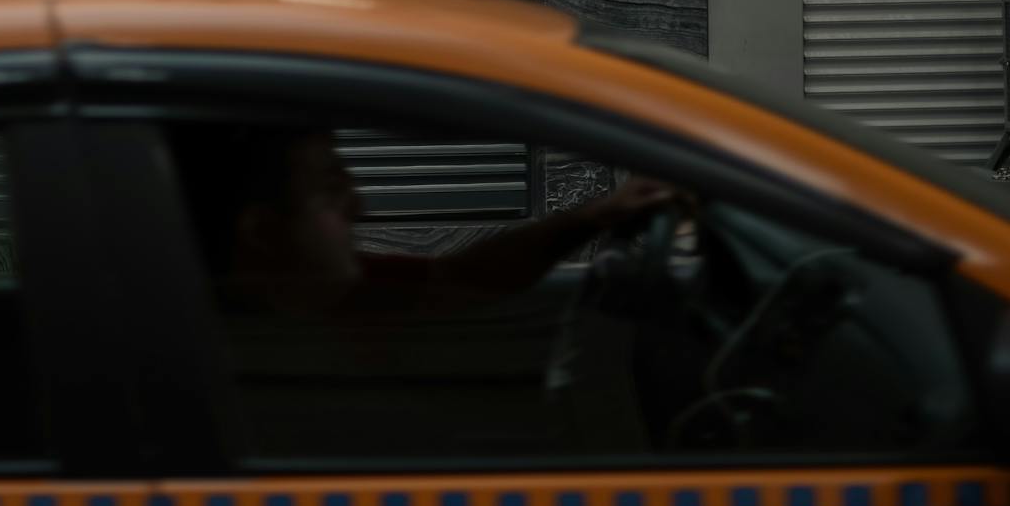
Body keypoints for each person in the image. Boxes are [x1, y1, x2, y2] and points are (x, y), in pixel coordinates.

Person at [170, 123, 676, 317]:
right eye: (329, 190)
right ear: (261, 231)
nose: (360, 206)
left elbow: (459, 280)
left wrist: (595, 216)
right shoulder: (199, 354)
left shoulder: (337, 297)